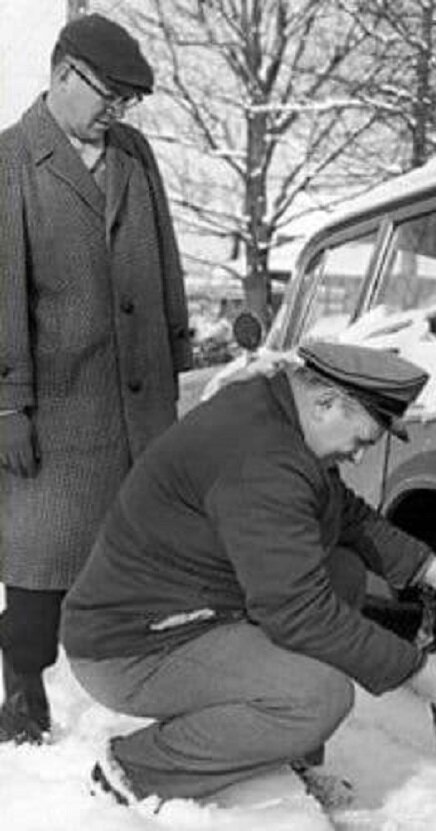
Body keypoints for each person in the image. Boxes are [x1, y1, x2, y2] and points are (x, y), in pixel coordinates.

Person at [61, 340, 436, 807]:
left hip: (187, 609)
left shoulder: (278, 414)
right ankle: (133, 769)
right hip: (133, 645)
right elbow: (299, 614)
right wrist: (420, 670)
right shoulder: (263, 461)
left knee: (343, 570)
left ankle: (286, 755)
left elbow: (342, 511)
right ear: (327, 403)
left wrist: (430, 568)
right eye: (365, 439)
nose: (359, 457)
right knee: (318, 698)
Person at [0, 14, 192, 744]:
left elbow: (166, 256)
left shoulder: (135, 154)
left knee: (141, 549)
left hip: (139, 397)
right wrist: (6, 404)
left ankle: (140, 683)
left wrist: (176, 354)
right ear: (62, 75)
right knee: (39, 563)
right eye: (108, 94)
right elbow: (0, 291)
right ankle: (22, 690)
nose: (117, 112)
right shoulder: (12, 159)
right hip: (54, 404)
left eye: (127, 101)